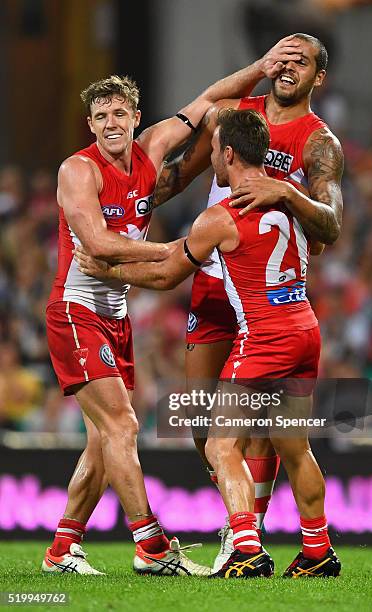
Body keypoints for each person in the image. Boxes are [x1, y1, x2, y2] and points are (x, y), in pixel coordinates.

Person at [75, 107, 342, 578]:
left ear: (230, 153)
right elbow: (320, 241)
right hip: (305, 329)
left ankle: (245, 546)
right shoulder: (293, 200)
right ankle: (318, 549)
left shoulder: (220, 216)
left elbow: (165, 273)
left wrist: (107, 269)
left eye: (215, 149)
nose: (211, 158)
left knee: (221, 445)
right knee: (294, 445)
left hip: (264, 335)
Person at [43, 54, 279, 576]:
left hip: (117, 312)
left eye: (119, 114)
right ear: (91, 125)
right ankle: (151, 547)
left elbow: (211, 100)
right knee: (122, 427)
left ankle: (62, 549)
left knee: (104, 441)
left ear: (135, 117)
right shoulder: (77, 170)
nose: (111, 124)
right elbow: (97, 243)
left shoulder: (151, 148)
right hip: (76, 310)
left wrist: (262, 66)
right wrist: (176, 249)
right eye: (101, 116)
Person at [150, 32, 342, 570]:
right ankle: (277, 535)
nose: (288, 67)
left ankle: (246, 536)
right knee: (197, 418)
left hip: (264, 293)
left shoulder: (319, 142)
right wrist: (130, 204)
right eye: (282, 56)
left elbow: (332, 224)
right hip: (215, 279)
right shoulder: (234, 115)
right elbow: (179, 168)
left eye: (301, 62)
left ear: (317, 79)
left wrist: (286, 192)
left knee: (255, 428)